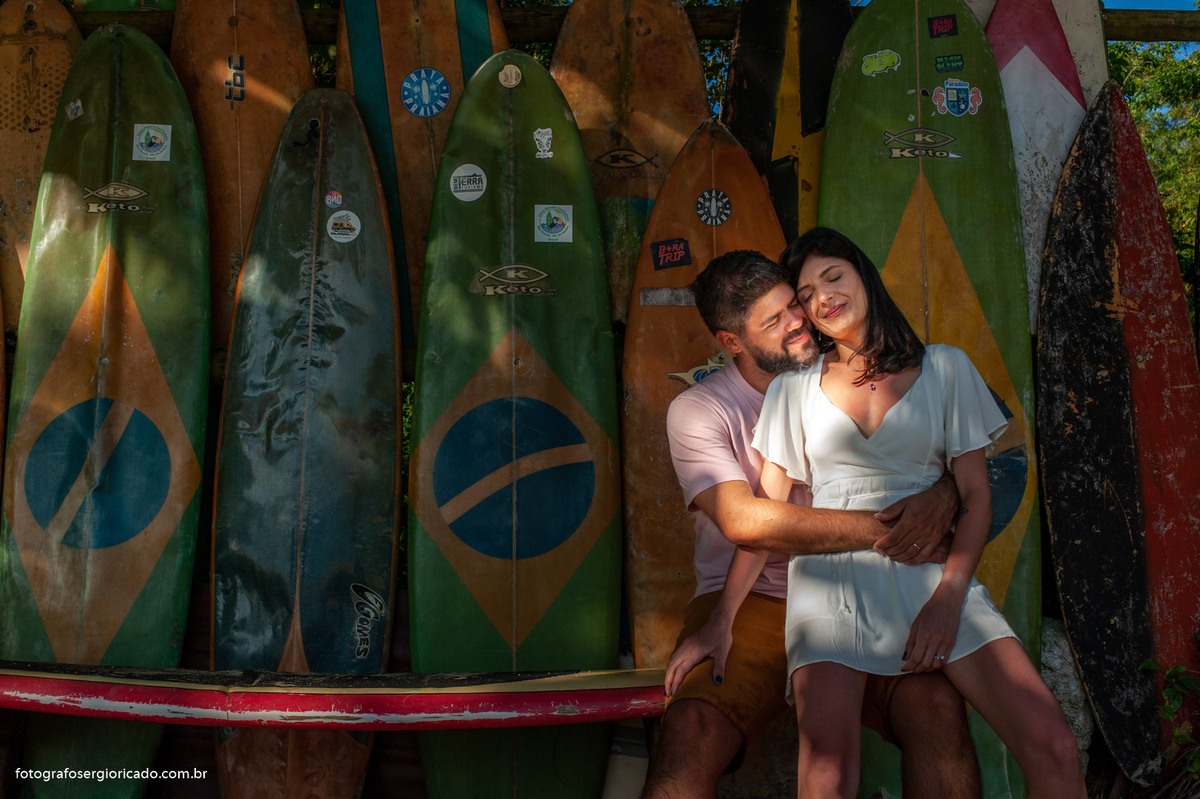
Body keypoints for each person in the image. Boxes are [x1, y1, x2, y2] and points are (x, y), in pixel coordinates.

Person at [713, 228, 1085, 799]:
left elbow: (975, 495)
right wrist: (721, 618)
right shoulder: (793, 390)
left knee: (1055, 747)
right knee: (828, 775)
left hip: (933, 575)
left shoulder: (946, 368)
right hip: (830, 585)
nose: (823, 298)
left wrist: (948, 601)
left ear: (863, 274)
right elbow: (767, 519)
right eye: (807, 295)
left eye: (833, 277)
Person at [643, 249, 982, 799]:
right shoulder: (699, 410)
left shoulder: (863, 360)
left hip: (872, 585)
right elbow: (745, 520)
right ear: (732, 341)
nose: (798, 322)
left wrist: (944, 492)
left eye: (793, 305)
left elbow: (963, 457)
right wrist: (894, 528)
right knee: (690, 729)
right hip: (753, 599)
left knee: (937, 709)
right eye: (773, 321)